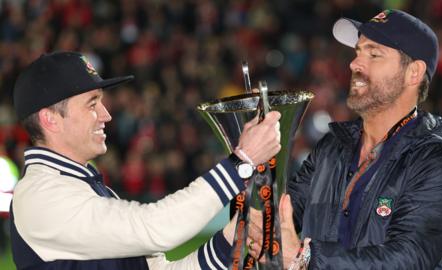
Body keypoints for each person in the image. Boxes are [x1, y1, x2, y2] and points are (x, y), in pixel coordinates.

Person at [10, 51, 281, 270]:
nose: (106, 115)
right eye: (92, 104)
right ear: (50, 119)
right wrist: (242, 161)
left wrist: (233, 235)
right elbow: (156, 227)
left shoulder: (85, 189)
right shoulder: (41, 195)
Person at [247, 9, 442, 269]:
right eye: (358, 51)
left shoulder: (439, 165)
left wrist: (306, 257)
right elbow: (278, 216)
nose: (355, 64)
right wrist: (257, 158)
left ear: (414, 73)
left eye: (374, 54)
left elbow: (408, 260)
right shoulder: (332, 148)